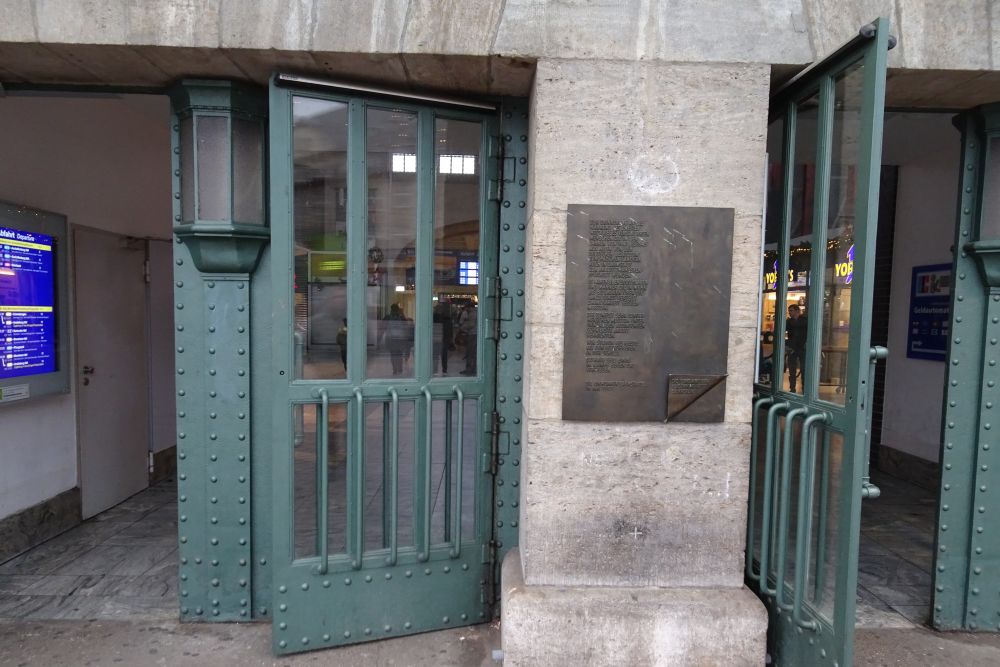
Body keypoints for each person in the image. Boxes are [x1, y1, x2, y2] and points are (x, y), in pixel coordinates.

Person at [785, 304, 807, 392]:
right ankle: (792, 388)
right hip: (792, 348)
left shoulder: (804, 320)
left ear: (797, 311)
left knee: (804, 369)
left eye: (791, 310)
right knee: (792, 370)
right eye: (789, 311)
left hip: (802, 347)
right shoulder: (788, 321)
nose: (789, 312)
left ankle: (804, 388)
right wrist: (787, 346)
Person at [384, 304, 411, 376]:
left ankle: (395, 370)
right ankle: (400, 369)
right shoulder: (401, 317)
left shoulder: (388, 317)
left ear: (391, 309)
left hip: (391, 339)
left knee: (393, 355)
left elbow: (383, 326)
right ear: (398, 309)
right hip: (400, 339)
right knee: (399, 354)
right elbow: (406, 326)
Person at [433, 299, 453, 374]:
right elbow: (450, 329)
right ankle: (444, 369)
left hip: (437, 337)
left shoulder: (434, 317)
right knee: (443, 355)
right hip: (443, 337)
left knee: (436, 354)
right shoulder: (447, 318)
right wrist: (450, 338)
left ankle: (435, 369)